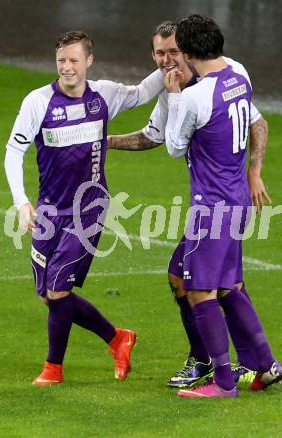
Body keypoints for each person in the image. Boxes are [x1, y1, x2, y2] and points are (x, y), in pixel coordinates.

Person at [108, 21, 270, 388]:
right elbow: (152, 135)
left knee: (206, 286)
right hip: (227, 201)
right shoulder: (225, 78)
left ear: (188, 52)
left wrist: (255, 169)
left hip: (215, 203)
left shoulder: (202, 88)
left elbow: (255, 124)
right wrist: (106, 141)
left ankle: (219, 370)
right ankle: (258, 363)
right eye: (159, 54)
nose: (167, 60)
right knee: (200, 280)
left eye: (173, 52)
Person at [4, 30, 165, 386]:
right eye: (61, 60)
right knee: (48, 295)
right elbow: (14, 151)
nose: (67, 67)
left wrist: (166, 64)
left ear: (89, 61)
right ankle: (117, 338)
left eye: (74, 60)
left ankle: (53, 369)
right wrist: (21, 202)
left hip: (88, 208)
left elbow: (140, 94)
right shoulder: (38, 101)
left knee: (59, 288)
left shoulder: (104, 95)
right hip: (49, 210)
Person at [164, 14, 282, 398]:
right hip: (236, 200)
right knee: (231, 286)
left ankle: (222, 382)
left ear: (186, 52)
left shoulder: (196, 96)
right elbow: (255, 121)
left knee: (200, 292)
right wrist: (255, 169)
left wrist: (173, 96)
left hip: (210, 206)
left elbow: (173, 147)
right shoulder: (239, 74)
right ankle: (266, 364)